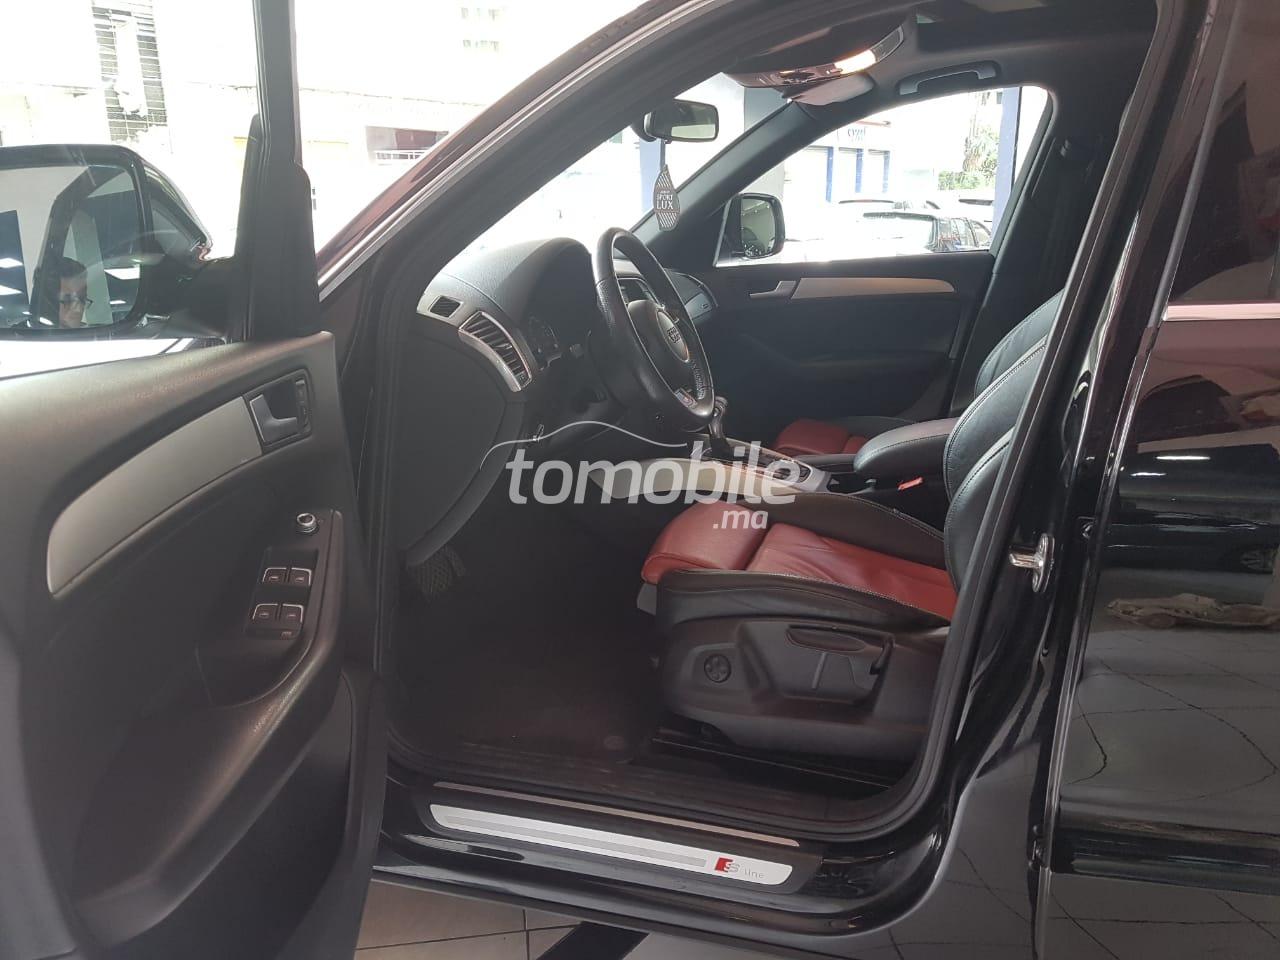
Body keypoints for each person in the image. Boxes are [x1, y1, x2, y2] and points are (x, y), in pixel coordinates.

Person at [56, 256, 91, 328]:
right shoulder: (35, 333)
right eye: (67, 300)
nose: (78, 309)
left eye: (82, 299)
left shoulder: (95, 333)